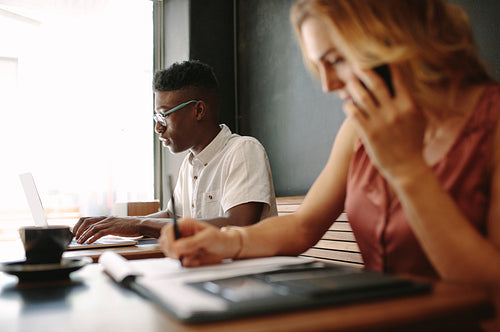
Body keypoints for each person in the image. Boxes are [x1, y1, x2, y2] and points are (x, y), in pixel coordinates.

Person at [159, 0, 500, 287]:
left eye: (336, 60)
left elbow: (490, 287)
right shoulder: (359, 129)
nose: (327, 84)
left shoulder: (492, 123)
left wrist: (408, 170)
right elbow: (303, 225)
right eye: (318, 65)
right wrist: (227, 241)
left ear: (393, 37)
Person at [73, 60, 277, 244]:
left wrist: (139, 224)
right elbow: (173, 216)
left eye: (163, 117)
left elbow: (237, 225)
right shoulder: (190, 164)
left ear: (198, 111)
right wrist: (113, 223)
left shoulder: (243, 150)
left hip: (249, 277)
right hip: (208, 272)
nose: (157, 128)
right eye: (156, 118)